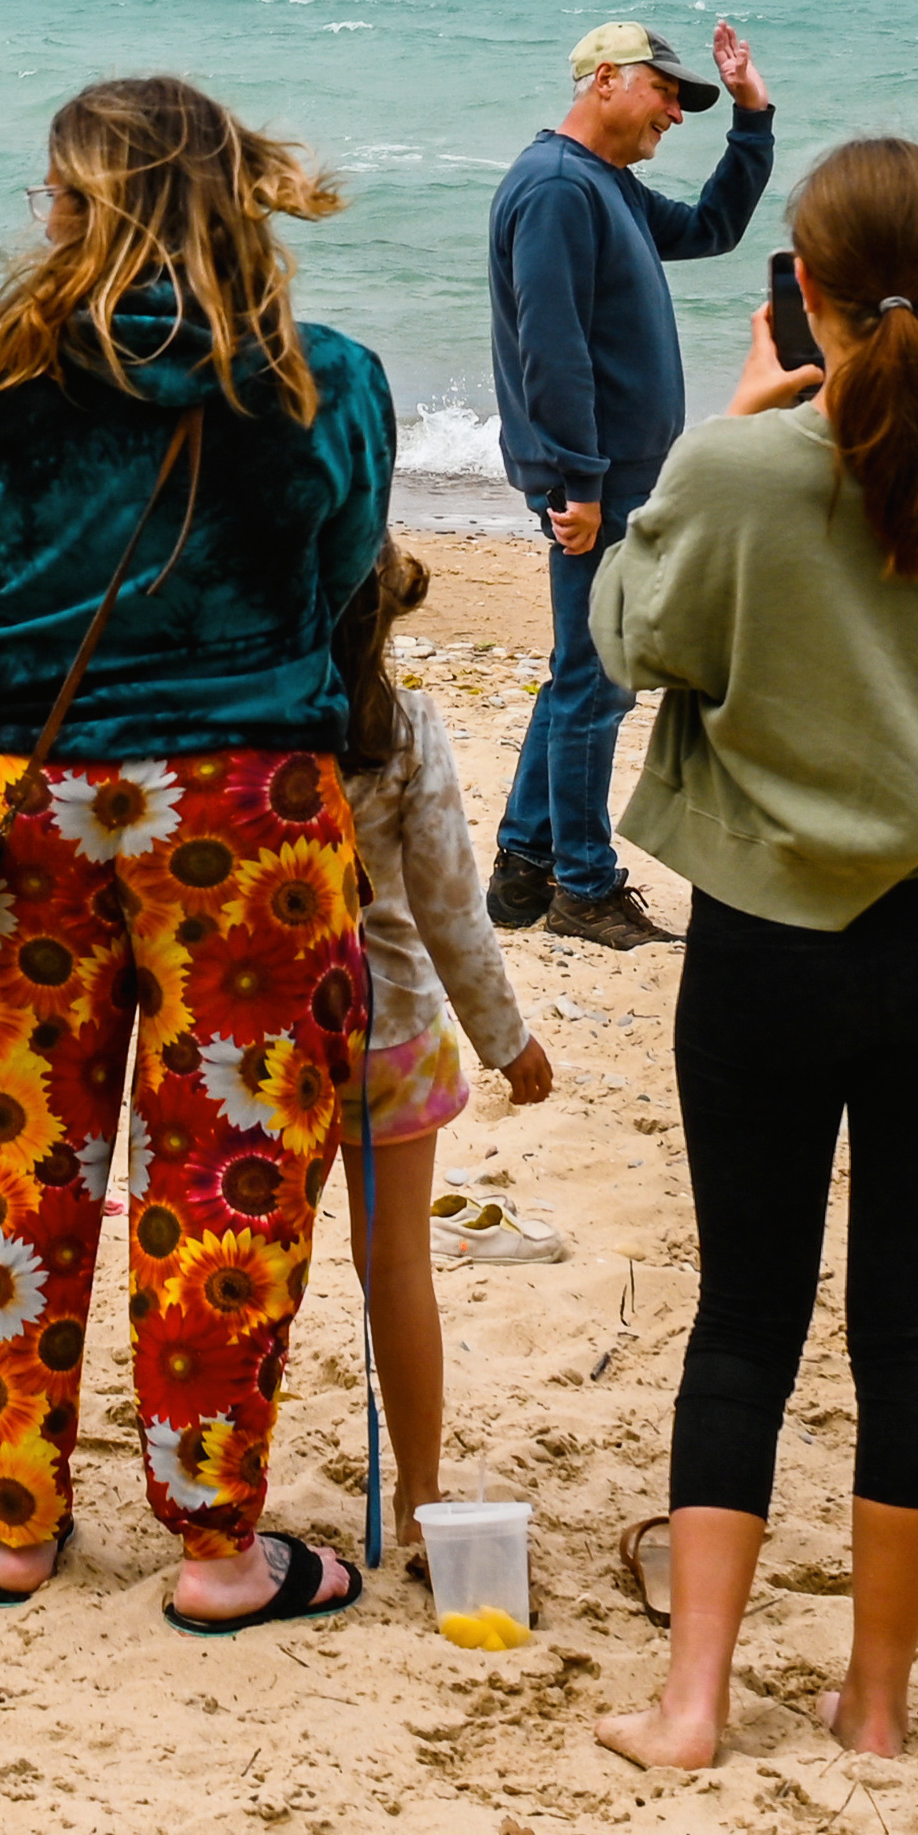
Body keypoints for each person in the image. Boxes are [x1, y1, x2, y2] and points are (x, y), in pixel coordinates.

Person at [0, 75, 394, 1633]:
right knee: (227, 1162)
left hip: (26, 793)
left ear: (68, 205)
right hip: (248, 810)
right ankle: (218, 1541)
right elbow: (342, 564)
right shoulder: (326, 377)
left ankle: (17, 1518)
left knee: (16, 1151)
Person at [582, 135, 918, 1770]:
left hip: (767, 942)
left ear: (791, 286)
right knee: (911, 1326)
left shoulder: (737, 473)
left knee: (741, 1313)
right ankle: (875, 1706)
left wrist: (711, 436)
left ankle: (689, 1705)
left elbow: (625, 636)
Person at [483, 16, 775, 953]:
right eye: (667, 92)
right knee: (597, 680)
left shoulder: (604, 183)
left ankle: (526, 863)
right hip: (596, 481)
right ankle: (583, 884)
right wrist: (577, 483)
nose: (675, 114)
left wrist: (753, 117)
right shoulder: (560, 188)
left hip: (614, 476)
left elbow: (713, 230)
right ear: (605, 78)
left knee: (585, 671)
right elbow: (552, 349)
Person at [322, 549, 552, 1562]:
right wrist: (509, 1040)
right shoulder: (406, 730)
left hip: (263, 1030)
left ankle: (222, 1484)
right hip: (390, 1026)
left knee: (255, 1267)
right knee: (397, 1265)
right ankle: (419, 1491)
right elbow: (450, 904)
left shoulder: (250, 727)